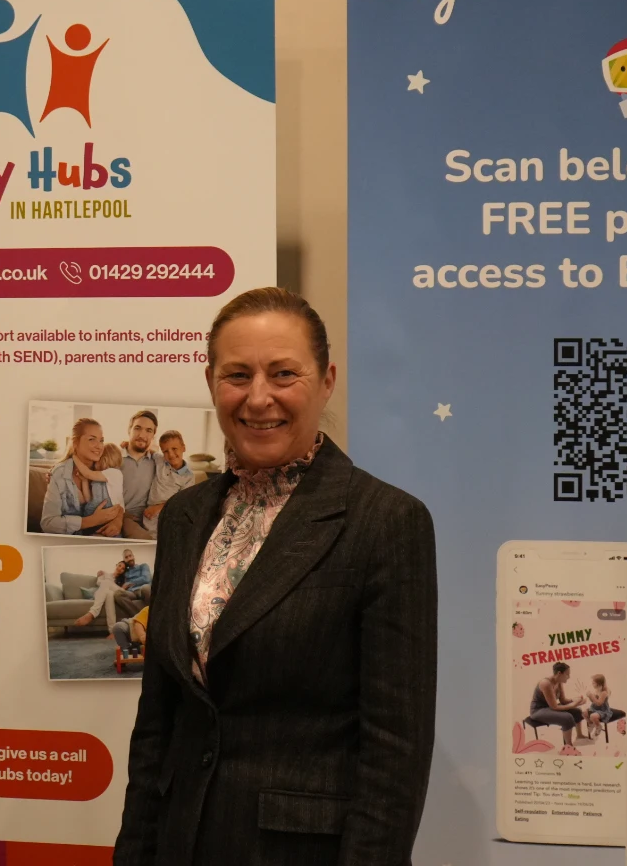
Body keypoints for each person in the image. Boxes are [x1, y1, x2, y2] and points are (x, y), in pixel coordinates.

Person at [115, 287, 438, 866]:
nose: (258, 398)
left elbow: (396, 754)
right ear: (211, 380)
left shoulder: (386, 521)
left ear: (327, 380)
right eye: (237, 375)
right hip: (179, 842)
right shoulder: (186, 518)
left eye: (283, 373)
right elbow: (157, 722)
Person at [41, 418, 125, 537]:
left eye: (101, 440)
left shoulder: (106, 470)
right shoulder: (60, 474)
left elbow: (118, 500)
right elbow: (48, 524)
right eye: (92, 439)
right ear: (75, 442)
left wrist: (118, 520)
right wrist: (92, 521)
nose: (99, 446)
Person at [117, 410, 160, 540]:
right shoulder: (115, 458)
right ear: (129, 430)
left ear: (153, 435)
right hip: (121, 517)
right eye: (137, 428)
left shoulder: (158, 462)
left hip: (148, 520)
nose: (142, 435)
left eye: (149, 430)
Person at [142, 430, 195, 535]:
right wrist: (127, 444)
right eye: (165, 451)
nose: (170, 454)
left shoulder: (188, 476)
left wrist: (157, 508)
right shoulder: (161, 461)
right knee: (151, 539)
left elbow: (182, 502)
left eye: (174, 449)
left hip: (170, 510)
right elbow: (151, 451)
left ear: (183, 448)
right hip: (150, 513)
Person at [530, 663, 588, 755]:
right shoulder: (545, 683)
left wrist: (577, 700)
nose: (569, 677)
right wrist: (574, 704)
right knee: (567, 717)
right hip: (538, 711)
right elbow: (555, 707)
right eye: (567, 674)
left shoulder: (559, 682)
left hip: (549, 707)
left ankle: (579, 735)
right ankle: (569, 746)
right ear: (559, 673)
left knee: (577, 711)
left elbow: (564, 701)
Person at [584, 673, 614, 739]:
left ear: (599, 683)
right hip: (594, 708)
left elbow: (599, 703)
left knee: (593, 716)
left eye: (593, 683)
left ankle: (598, 726)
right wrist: (590, 697)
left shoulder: (604, 692)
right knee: (584, 712)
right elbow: (593, 701)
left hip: (602, 710)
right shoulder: (597, 690)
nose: (592, 684)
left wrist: (591, 695)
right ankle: (591, 723)